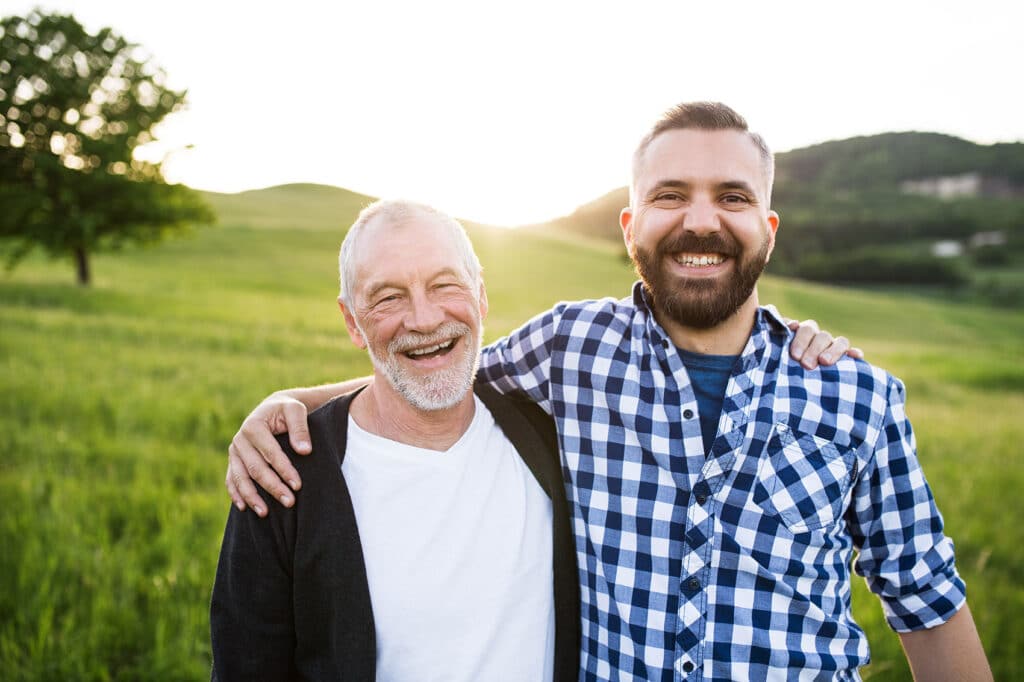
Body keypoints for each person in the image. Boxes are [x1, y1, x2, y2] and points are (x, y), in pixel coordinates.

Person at [225, 102, 991, 680]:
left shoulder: (853, 396)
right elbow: (434, 369)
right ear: (631, 226)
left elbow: (928, 604)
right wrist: (287, 400)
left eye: (730, 196)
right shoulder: (571, 348)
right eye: (670, 196)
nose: (700, 221)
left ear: (768, 226)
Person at [210, 201, 581, 680]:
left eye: (444, 285)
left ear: (480, 295)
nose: (424, 319)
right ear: (352, 322)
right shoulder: (283, 476)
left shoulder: (548, 434)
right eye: (388, 297)